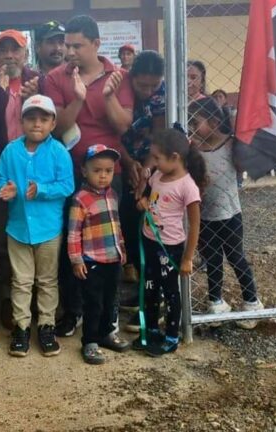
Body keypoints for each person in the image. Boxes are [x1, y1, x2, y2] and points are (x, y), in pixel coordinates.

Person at [44, 15, 134, 338]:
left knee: (107, 244)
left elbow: (123, 125)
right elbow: (57, 126)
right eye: (67, 45)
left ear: (96, 44)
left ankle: (107, 315)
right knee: (73, 244)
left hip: (109, 174)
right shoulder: (56, 78)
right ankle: (73, 311)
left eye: (77, 46)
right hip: (68, 174)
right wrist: (78, 98)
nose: (70, 52)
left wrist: (108, 96)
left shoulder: (119, 76)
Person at [0, 29, 45, 330]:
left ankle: (38, 298)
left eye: (14, 50)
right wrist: (2, 93)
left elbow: (52, 118)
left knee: (39, 233)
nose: (8, 56)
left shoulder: (38, 81)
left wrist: (36, 96)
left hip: (37, 168)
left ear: (25, 54)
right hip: (3, 169)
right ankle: (8, 297)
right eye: (2, 50)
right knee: (4, 238)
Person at [0, 95, 74, 357]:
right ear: (22, 121)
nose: (37, 124)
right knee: (21, 281)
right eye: (31, 118)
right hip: (17, 229)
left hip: (48, 229)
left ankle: (46, 325)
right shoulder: (10, 151)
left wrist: (41, 190)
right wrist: (3, 190)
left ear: (53, 123)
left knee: (47, 280)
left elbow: (67, 186)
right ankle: (21, 327)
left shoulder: (59, 152)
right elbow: (1, 180)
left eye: (43, 119)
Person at [188, 97, 264, 330]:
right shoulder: (193, 148)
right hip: (204, 215)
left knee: (235, 257)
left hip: (230, 214)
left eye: (195, 121)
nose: (191, 127)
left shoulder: (231, 145)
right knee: (212, 260)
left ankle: (251, 301)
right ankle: (216, 301)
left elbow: (243, 165)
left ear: (213, 121)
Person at [135, 129, 205, 357]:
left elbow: (195, 225)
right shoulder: (157, 176)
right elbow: (145, 198)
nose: (154, 162)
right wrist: (142, 202)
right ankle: (152, 330)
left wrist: (187, 258)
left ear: (175, 157)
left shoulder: (187, 186)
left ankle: (172, 336)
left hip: (170, 247)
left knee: (170, 291)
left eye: (157, 158)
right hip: (149, 241)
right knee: (150, 287)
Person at [68, 144, 128, 364]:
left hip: (113, 258)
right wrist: (76, 260)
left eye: (108, 171)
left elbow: (116, 224)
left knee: (111, 299)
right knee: (93, 302)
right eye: (97, 170)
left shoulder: (112, 195)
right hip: (92, 260)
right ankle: (90, 341)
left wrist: (121, 248)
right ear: (84, 170)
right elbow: (74, 233)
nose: (103, 176)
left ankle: (106, 334)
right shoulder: (80, 199)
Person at [119, 50, 166, 330]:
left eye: (154, 85)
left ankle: (154, 300)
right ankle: (142, 294)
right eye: (143, 85)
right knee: (128, 228)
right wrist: (128, 163)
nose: (149, 91)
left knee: (150, 233)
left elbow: (158, 139)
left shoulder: (161, 97)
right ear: (132, 77)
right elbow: (109, 131)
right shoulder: (119, 89)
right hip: (119, 162)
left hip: (151, 167)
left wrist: (145, 172)